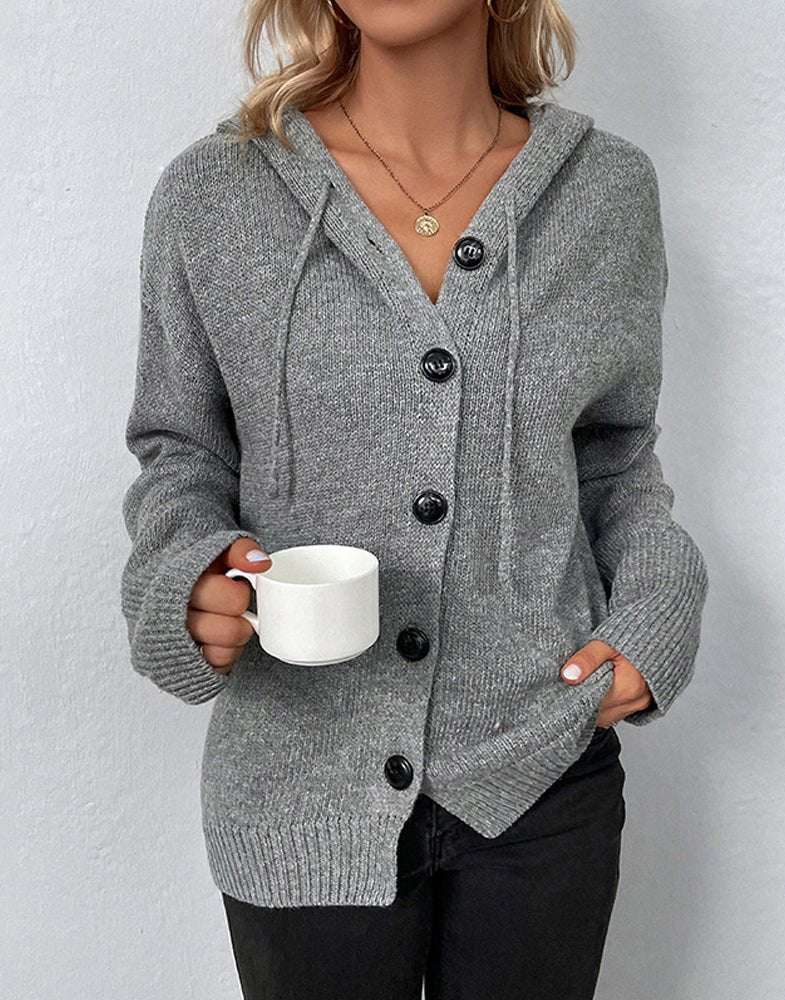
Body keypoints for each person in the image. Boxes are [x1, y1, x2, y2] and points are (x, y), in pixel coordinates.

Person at [120, 1, 710, 997]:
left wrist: (657, 608)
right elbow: (179, 453)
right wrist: (188, 578)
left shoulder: (604, 192)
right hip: (299, 781)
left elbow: (614, 456)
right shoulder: (213, 193)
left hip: (542, 771)